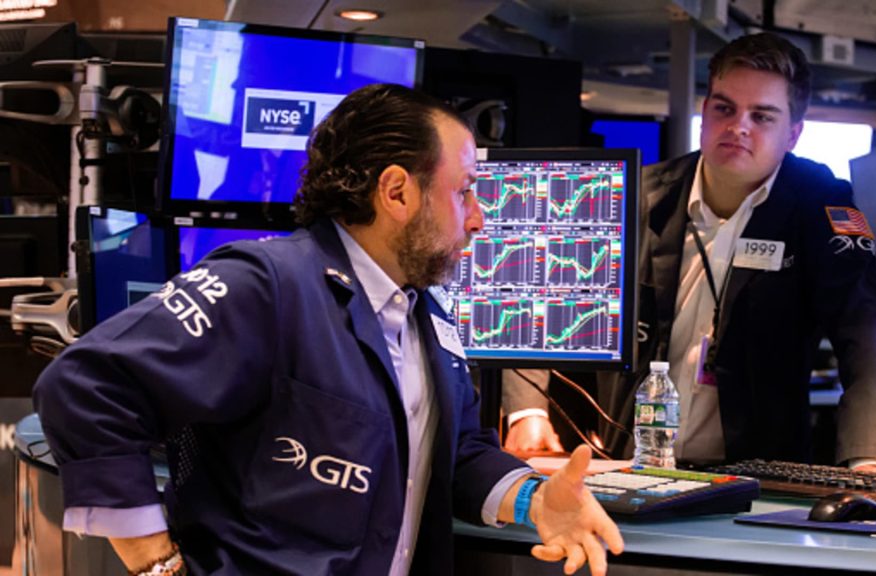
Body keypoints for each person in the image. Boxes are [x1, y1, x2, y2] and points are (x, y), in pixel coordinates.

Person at [34, 84, 623, 576]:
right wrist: (158, 567)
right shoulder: (268, 284)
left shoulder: (427, 315)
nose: (478, 218)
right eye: (464, 190)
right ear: (397, 192)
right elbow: (85, 386)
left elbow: (459, 454)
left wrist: (535, 498)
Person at [504, 33, 876, 472]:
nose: (739, 126)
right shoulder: (639, 195)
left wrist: (870, 461)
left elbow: (870, 343)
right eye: (724, 108)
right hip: (626, 465)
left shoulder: (820, 205)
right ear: (704, 113)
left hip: (756, 477)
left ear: (793, 134)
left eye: (762, 116)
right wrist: (527, 413)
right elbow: (540, 297)